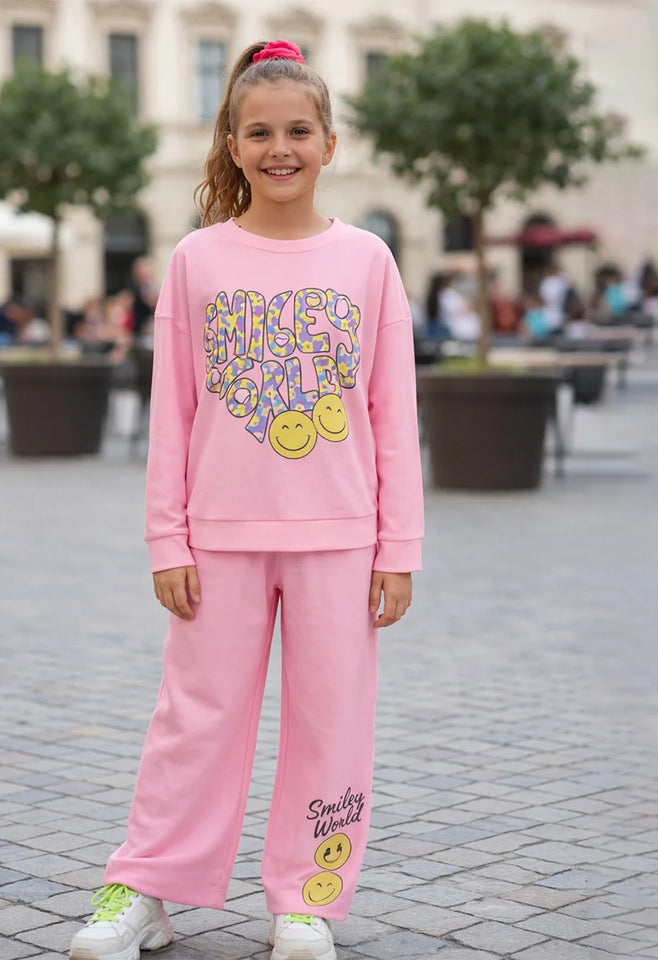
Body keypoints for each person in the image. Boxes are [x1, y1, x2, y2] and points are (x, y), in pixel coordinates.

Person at [69, 39, 424, 960]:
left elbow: (393, 415)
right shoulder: (196, 261)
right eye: (259, 131)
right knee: (195, 719)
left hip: (342, 539)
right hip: (218, 536)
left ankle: (304, 898)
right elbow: (173, 416)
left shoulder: (369, 260)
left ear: (330, 142)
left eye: (298, 130)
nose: (280, 148)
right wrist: (166, 541)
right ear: (232, 144)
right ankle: (145, 889)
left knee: (330, 720)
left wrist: (399, 548)